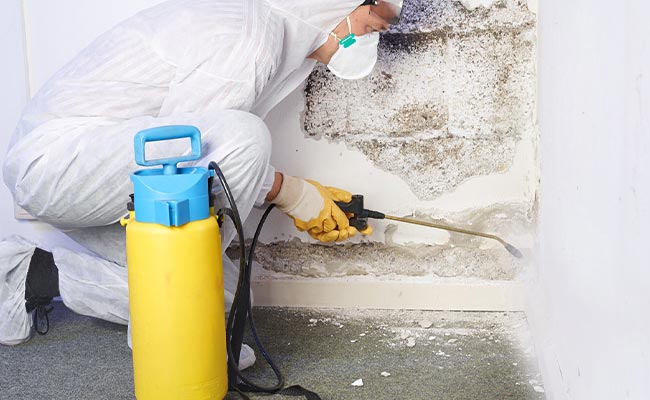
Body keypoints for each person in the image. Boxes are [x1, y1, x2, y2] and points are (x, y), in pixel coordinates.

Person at [0, 0, 401, 369]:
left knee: (223, 297)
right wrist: (289, 192)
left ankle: (35, 274)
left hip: (99, 165)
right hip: (58, 163)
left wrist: (292, 192)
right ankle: (175, 340)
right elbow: (181, 156)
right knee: (245, 139)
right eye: (373, 24)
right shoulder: (249, 39)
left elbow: (194, 152)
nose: (371, 38)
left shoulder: (270, 34)